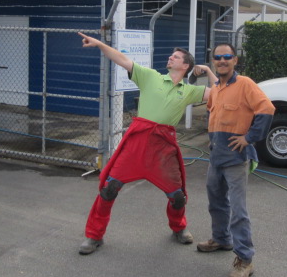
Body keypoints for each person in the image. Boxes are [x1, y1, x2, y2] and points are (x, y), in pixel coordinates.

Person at [77, 32, 211, 255]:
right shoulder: (151, 77)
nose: (170, 58)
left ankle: (178, 228)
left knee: (177, 196)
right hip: (137, 142)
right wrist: (100, 44)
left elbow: (221, 94)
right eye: (171, 55)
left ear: (186, 65)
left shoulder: (189, 91)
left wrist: (208, 71)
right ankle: (94, 236)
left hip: (162, 149)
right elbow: (121, 58)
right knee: (109, 188)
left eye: (175, 57)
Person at [193, 43, 275, 277]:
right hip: (216, 157)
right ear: (213, 61)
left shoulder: (245, 84)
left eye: (227, 57)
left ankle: (244, 260)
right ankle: (221, 239)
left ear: (235, 60)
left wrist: (249, 138)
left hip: (236, 159)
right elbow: (212, 113)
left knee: (238, 211)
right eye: (218, 58)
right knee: (216, 202)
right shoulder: (216, 88)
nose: (222, 61)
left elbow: (267, 109)